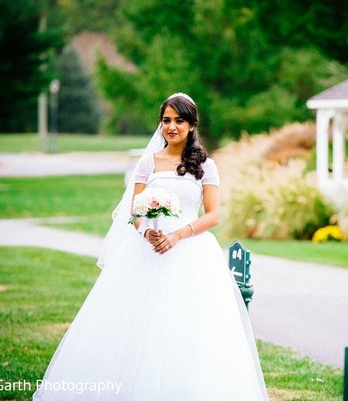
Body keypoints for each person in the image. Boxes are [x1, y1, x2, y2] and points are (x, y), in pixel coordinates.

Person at [33, 93, 269, 401]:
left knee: (189, 326)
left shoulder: (205, 166)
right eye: (166, 120)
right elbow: (135, 212)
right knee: (133, 324)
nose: (171, 127)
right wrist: (148, 234)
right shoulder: (149, 162)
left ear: (192, 124)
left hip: (191, 253)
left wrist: (177, 235)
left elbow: (213, 216)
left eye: (179, 121)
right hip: (146, 252)